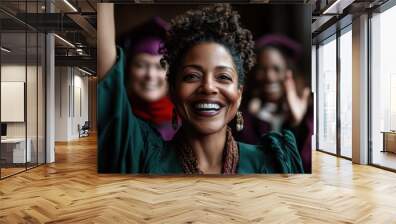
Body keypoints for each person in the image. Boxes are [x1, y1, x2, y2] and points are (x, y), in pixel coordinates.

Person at [97, 4, 304, 174]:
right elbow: (109, 86)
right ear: (173, 90)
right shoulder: (142, 154)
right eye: (191, 76)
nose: (208, 87)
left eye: (223, 77)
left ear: (239, 94)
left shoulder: (272, 163)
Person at [232, 34, 313, 173]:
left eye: (276, 69)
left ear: (289, 73)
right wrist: (249, 118)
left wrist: (297, 124)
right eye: (263, 69)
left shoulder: (308, 110)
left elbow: (306, 164)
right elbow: (242, 162)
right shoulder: (242, 110)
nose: (270, 77)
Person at [98, 5, 176, 141]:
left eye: (160, 66)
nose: (150, 75)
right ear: (129, 69)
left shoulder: (187, 122)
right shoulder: (117, 117)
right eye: (141, 65)